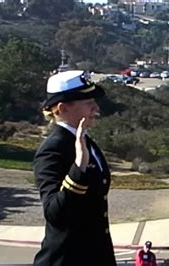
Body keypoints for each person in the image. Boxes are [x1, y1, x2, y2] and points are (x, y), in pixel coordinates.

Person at [33, 70, 116, 266]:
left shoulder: (85, 140)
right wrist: (79, 168)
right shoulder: (53, 149)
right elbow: (55, 213)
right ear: (62, 109)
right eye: (88, 103)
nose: (96, 108)